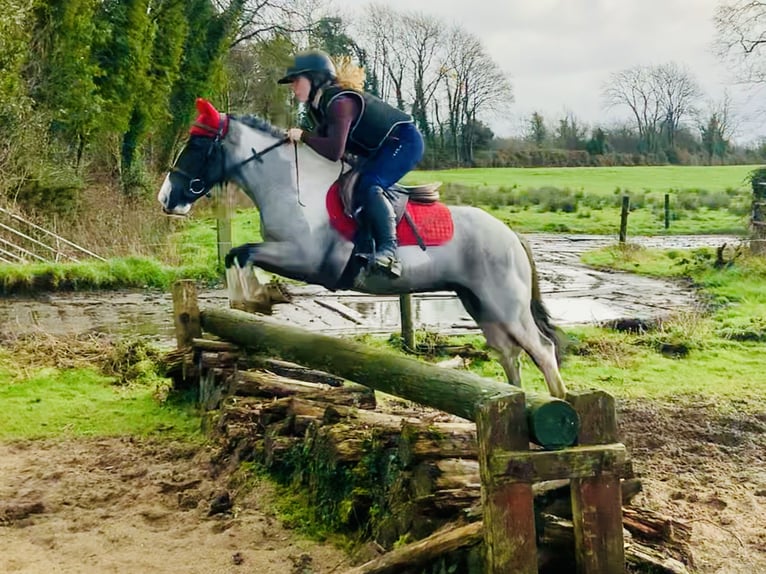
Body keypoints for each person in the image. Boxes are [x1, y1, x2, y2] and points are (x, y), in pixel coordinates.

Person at [278, 49, 425, 276]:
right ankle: (364, 246)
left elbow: (334, 151)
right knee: (348, 186)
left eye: (296, 81)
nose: (293, 87)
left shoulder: (340, 103)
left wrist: (303, 137)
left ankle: (389, 252)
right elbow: (321, 145)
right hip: (382, 148)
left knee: (369, 184)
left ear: (315, 79)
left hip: (404, 142)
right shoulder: (320, 106)